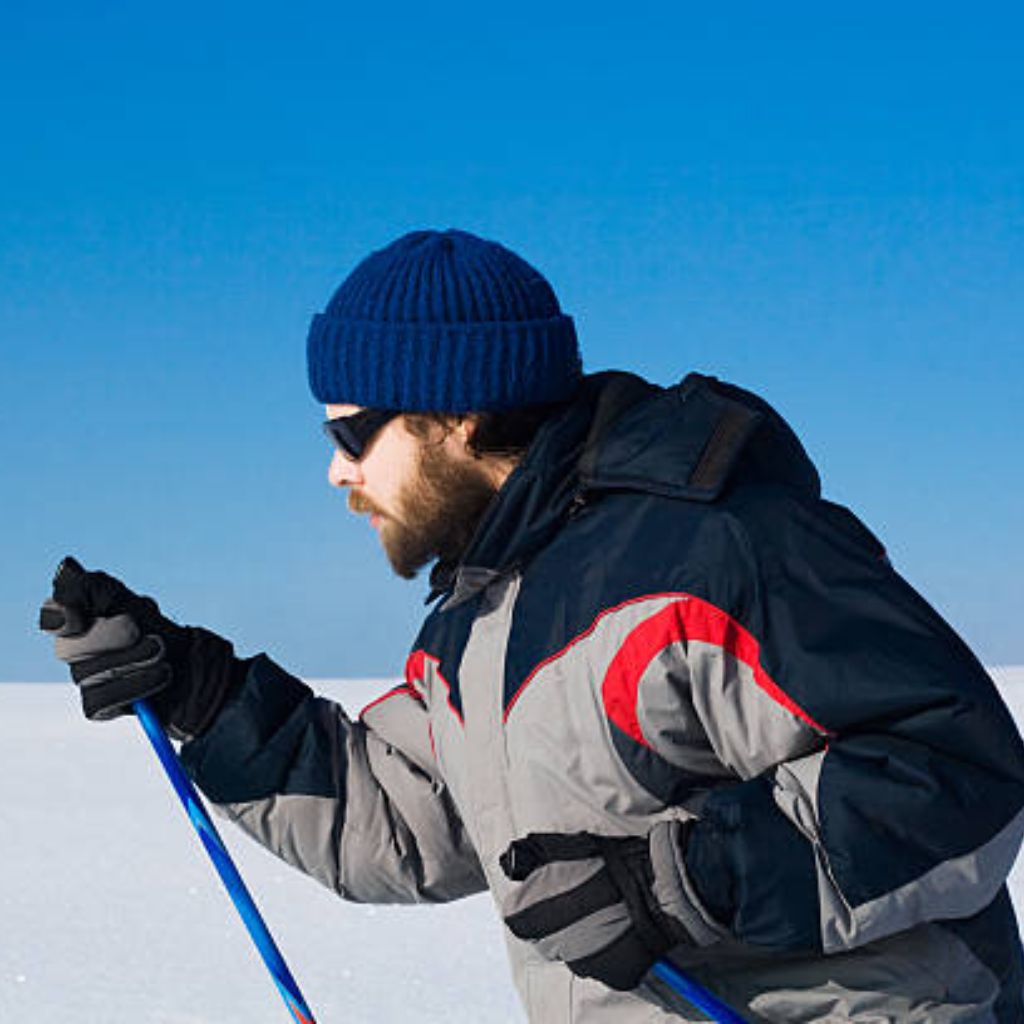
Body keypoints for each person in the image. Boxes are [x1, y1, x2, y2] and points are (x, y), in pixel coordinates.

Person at [42, 229, 1024, 1023]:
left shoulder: (717, 550)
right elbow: (399, 819)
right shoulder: (483, 617)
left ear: (457, 412)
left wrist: (683, 881)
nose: (335, 472)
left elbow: (954, 768)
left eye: (352, 435)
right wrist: (200, 692)